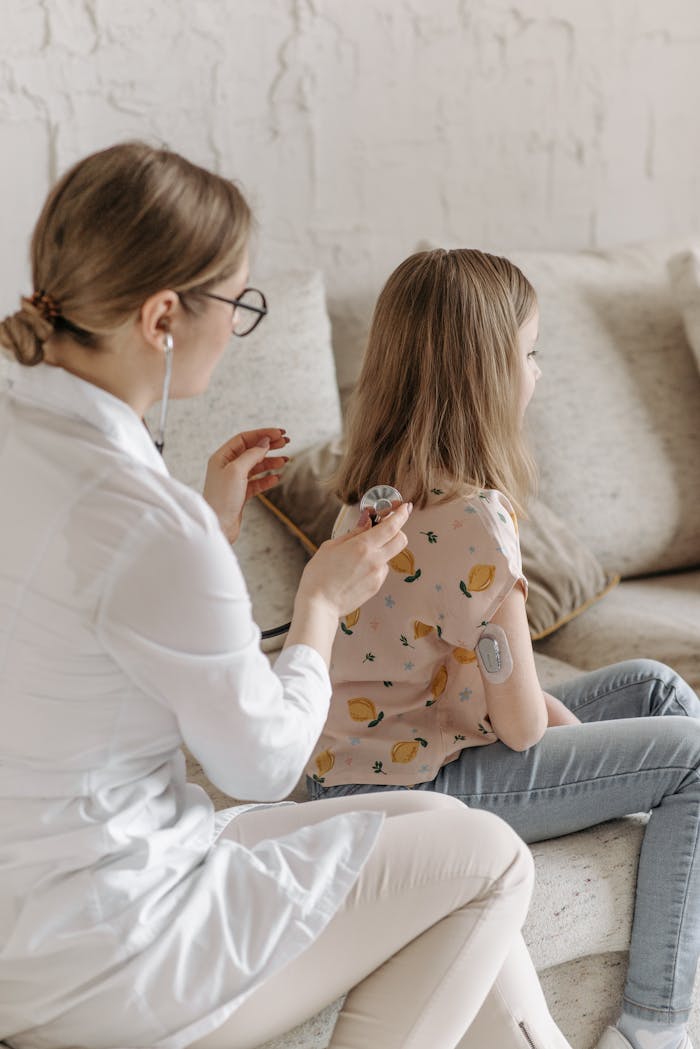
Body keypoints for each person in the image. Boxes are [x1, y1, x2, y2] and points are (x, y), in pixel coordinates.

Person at [0, 143, 573, 1049]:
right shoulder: (148, 519)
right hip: (123, 953)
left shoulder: (30, 440)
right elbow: (261, 765)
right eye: (235, 302)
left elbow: (85, 619)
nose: (237, 327)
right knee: (493, 858)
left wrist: (209, 527)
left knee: (443, 820)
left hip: (33, 922)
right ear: (160, 317)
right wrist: (320, 604)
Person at [305, 247, 700, 1049]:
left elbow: (451, 674)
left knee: (657, 688)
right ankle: (655, 1026)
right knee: (694, 754)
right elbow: (520, 728)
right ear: (485, 374)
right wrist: (552, 718)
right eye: (530, 353)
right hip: (422, 785)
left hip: (373, 755)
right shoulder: (480, 522)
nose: (539, 374)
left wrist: (545, 708)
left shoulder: (374, 497)